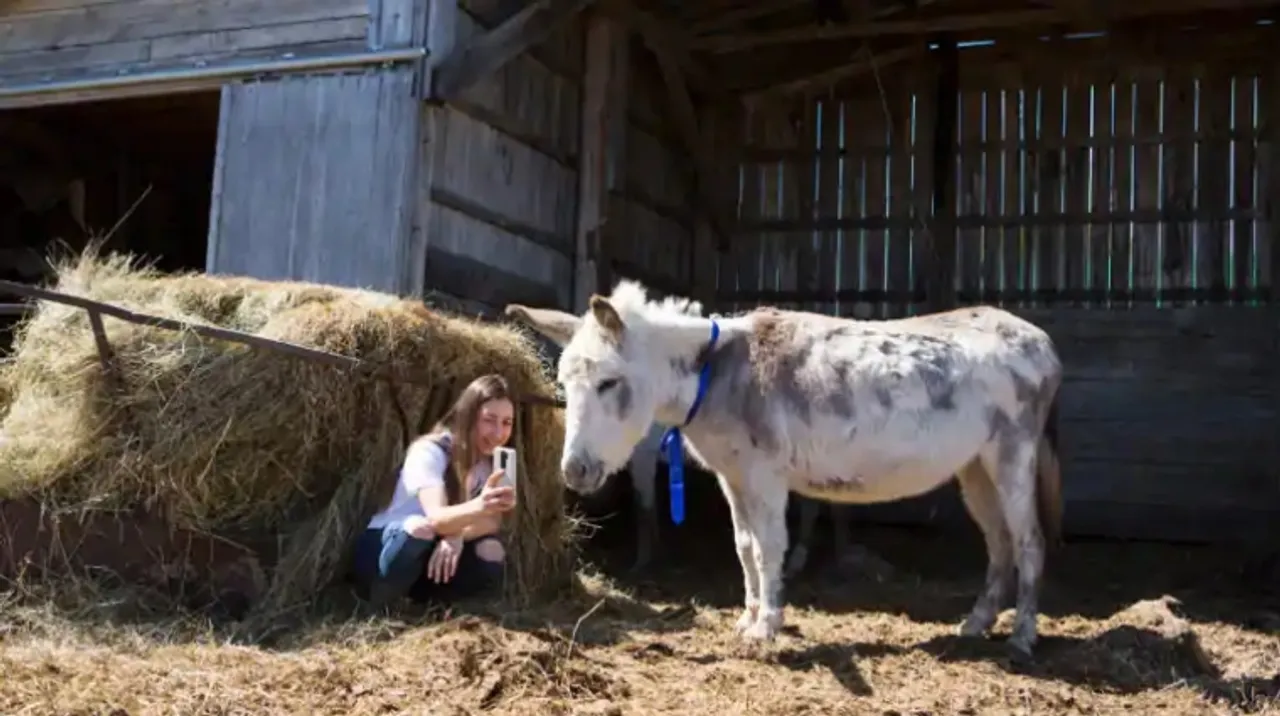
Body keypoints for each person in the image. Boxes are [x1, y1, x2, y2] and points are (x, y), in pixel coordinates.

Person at [352, 374, 519, 606]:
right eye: (489, 420)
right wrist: (480, 506)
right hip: (387, 545)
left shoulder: (494, 464)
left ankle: (429, 603)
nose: (498, 433)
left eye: (506, 423)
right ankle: (380, 601)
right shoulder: (430, 451)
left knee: (492, 550)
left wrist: (458, 534)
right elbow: (437, 518)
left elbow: (494, 522)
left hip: (434, 546)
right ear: (469, 416)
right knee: (420, 528)